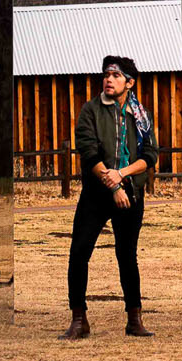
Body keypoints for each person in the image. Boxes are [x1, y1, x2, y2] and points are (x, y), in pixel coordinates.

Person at [64, 54, 154, 340]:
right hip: (97, 192)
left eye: (115, 75)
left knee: (127, 255)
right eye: (106, 75)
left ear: (129, 82)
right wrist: (112, 185)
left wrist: (122, 176)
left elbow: (149, 157)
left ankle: (134, 319)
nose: (108, 79)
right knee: (79, 252)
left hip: (130, 191)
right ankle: (79, 319)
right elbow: (88, 151)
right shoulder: (91, 109)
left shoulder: (140, 115)